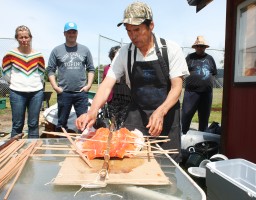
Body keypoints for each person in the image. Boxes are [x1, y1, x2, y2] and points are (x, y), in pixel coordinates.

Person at [76, 1, 188, 162]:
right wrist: (93, 110)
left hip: (167, 115)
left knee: (167, 166)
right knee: (129, 162)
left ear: (151, 26)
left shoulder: (170, 49)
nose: (132, 36)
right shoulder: (125, 53)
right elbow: (107, 84)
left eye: (137, 30)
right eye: (128, 31)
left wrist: (161, 111)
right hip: (137, 115)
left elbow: (177, 88)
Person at [47, 22, 95, 132]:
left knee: (84, 122)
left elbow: (91, 69)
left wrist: (88, 85)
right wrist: (55, 87)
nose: (71, 34)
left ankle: (83, 146)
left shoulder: (84, 50)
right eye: (69, 32)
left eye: (74, 32)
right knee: (62, 123)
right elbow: (50, 70)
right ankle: (61, 144)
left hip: (81, 92)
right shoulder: (57, 50)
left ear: (77, 33)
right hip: (64, 93)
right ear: (64, 33)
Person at [1, 25, 45, 138]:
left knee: (33, 124)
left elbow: (41, 73)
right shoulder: (10, 55)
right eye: (21, 37)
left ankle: (32, 152)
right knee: (17, 124)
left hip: (36, 93)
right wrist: (16, 83)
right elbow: (5, 73)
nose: (24, 40)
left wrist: (33, 84)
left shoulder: (38, 55)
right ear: (17, 38)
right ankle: (14, 153)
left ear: (30, 37)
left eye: (26, 37)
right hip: (17, 93)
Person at [181, 36, 217, 134]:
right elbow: (182, 71)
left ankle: (202, 138)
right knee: (186, 115)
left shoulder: (210, 58)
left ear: (205, 47)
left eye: (202, 46)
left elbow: (213, 73)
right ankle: (183, 134)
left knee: (204, 117)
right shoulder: (189, 57)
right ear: (195, 47)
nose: (200, 48)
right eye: (198, 46)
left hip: (206, 93)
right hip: (191, 93)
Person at [102, 45, 131, 129]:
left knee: (123, 120)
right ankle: (112, 136)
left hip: (126, 96)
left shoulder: (127, 67)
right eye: (115, 55)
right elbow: (104, 84)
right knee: (113, 119)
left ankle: (121, 135)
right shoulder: (107, 68)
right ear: (112, 56)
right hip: (113, 97)